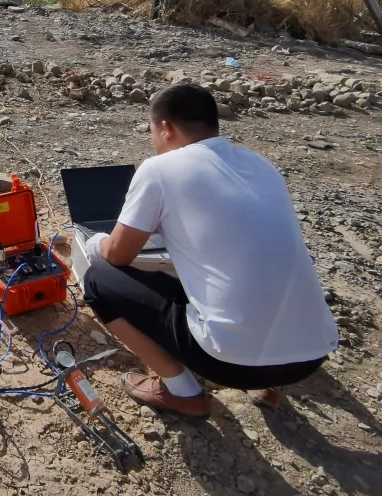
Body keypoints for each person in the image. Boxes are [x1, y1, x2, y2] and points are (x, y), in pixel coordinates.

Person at [82, 82, 338, 418]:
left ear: (166, 128)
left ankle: (182, 392)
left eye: (152, 131)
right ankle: (268, 388)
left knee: (97, 278)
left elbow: (117, 255)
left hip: (230, 364)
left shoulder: (160, 168)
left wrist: (94, 242)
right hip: (312, 355)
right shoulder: (261, 165)